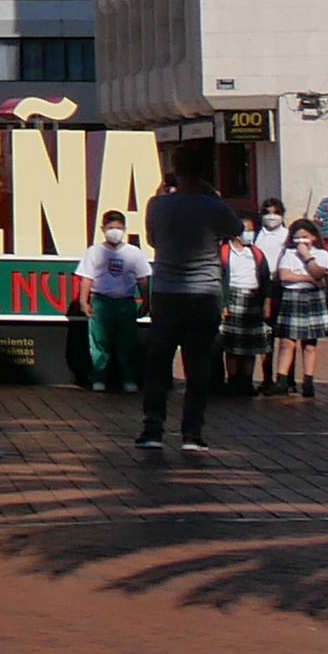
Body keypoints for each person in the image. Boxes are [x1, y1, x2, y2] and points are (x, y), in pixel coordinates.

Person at [137, 148, 239, 453]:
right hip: (204, 293)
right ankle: (192, 433)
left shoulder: (158, 205)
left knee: (158, 363)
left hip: (167, 291)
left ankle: (153, 428)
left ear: (175, 171)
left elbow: (153, 240)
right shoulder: (213, 206)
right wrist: (212, 196)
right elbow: (235, 230)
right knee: (198, 365)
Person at [78, 212, 150, 396]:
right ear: (102, 229)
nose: (115, 232)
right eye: (110, 228)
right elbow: (86, 278)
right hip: (101, 302)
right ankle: (98, 379)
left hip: (126, 302)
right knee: (99, 343)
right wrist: (83, 301)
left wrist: (146, 301)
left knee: (127, 343)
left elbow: (143, 279)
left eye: (118, 228)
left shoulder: (134, 253)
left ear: (125, 229)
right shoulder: (94, 251)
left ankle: (129, 380)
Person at [273, 218, 328, 398]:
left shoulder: (321, 254)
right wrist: (308, 279)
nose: (301, 242)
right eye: (297, 238)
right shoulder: (288, 254)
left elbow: (318, 272)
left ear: (314, 237)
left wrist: (307, 256)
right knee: (287, 342)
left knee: (309, 344)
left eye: (305, 237)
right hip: (292, 296)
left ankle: (308, 380)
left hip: (312, 298)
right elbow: (285, 276)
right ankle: (282, 380)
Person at [218, 207, 270, 397]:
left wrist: (266, 301)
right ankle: (232, 380)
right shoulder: (223, 253)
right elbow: (219, 278)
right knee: (232, 346)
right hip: (232, 298)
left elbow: (265, 278)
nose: (249, 234)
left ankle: (246, 381)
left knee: (250, 347)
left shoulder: (256, 253)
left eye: (251, 230)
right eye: (245, 229)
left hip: (253, 299)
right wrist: (223, 304)